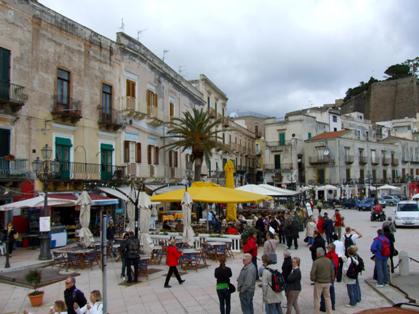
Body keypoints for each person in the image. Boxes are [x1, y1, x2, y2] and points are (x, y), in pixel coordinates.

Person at [310, 247, 334, 314]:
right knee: (327, 298)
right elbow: (332, 271)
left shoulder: (316, 262)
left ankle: (316, 312)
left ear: (318, 253)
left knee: (317, 299)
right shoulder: (329, 260)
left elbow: (312, 273)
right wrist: (332, 279)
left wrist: (313, 279)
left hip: (319, 282)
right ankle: (330, 312)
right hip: (327, 282)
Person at [320, 243, 338, 311]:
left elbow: (334, 266)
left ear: (331, 249)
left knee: (328, 291)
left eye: (328, 248)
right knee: (329, 291)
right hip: (328, 276)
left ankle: (326, 306)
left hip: (329, 277)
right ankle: (329, 305)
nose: (327, 249)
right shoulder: (329, 255)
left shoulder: (333, 255)